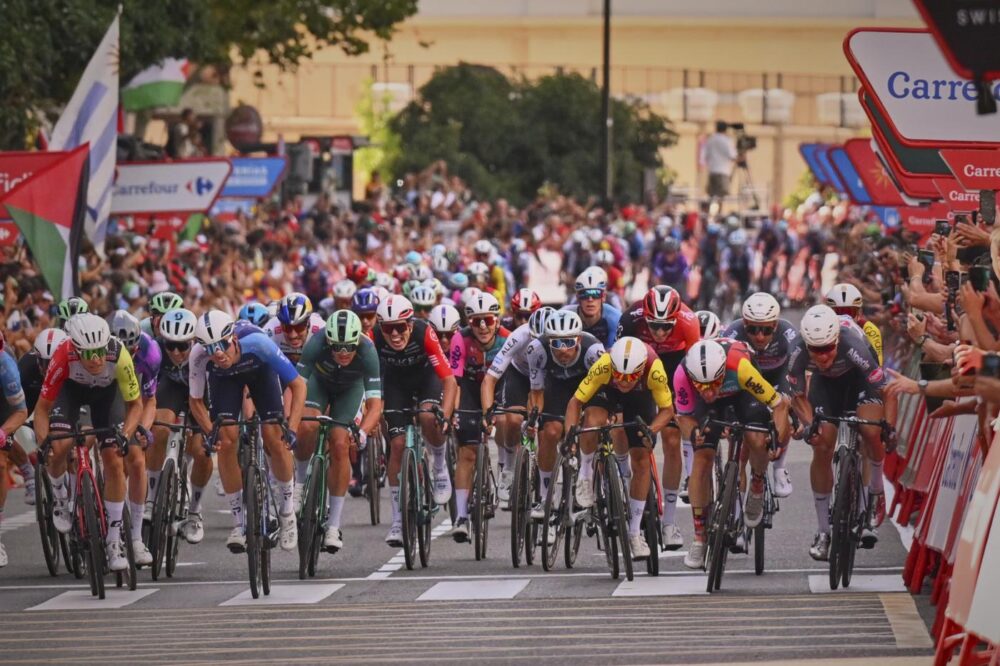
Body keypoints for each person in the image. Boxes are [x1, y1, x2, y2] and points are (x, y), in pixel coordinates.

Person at [188, 311, 306, 554]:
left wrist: (292, 428)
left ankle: (287, 514)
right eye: (210, 349)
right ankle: (239, 523)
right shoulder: (198, 355)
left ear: (233, 338)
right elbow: (195, 401)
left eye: (222, 345)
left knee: (274, 436)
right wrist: (210, 432)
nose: (218, 353)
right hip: (224, 381)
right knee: (225, 440)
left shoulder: (258, 342)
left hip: (260, 372)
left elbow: (298, 385)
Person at [34, 314, 144, 572]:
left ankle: (114, 542)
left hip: (107, 396)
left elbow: (135, 405)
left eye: (99, 351)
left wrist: (126, 434)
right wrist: (43, 442)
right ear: (75, 349)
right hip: (70, 393)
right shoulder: (63, 355)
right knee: (59, 447)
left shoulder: (119, 354)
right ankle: (60, 498)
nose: (96, 359)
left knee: (114, 460)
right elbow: (42, 409)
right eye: (88, 353)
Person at [787, 305, 895, 561]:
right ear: (806, 344)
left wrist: (890, 428)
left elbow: (887, 391)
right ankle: (823, 532)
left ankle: (875, 491)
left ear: (836, 340)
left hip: (859, 380)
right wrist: (810, 424)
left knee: (871, 431)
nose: (822, 356)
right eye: (816, 350)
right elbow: (798, 396)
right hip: (825, 385)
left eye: (827, 348)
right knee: (822, 444)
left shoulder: (854, 346)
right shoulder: (797, 350)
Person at [673, 339, 791, 569]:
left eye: (714, 383)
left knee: (757, 439)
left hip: (743, 393)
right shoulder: (682, 374)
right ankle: (699, 537)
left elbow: (779, 405)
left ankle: (757, 484)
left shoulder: (742, 368)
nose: (709, 391)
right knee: (702, 458)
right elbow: (683, 417)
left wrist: (777, 436)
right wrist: (694, 433)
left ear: (722, 373)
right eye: (701, 385)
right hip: (708, 408)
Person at [565, 337, 676, 559]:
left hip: (641, 396)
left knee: (641, 458)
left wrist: (651, 430)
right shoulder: (604, 365)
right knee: (592, 421)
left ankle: (634, 533)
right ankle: (586, 475)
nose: (624, 382)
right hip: (607, 391)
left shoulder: (654, 370)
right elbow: (575, 402)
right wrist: (571, 437)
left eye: (630, 377)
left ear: (640, 370)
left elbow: (667, 410)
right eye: (620, 375)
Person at [616, 285, 701, 550]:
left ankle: (669, 523)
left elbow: (695, 369)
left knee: (672, 439)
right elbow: (618, 360)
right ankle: (625, 477)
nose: (660, 333)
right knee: (625, 427)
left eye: (666, 326)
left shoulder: (689, 322)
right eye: (654, 325)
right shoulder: (630, 318)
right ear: (645, 317)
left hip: (676, 366)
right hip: (639, 367)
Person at [296, 310, 383, 552]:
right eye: (336, 347)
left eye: (349, 347)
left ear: (357, 341)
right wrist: (290, 423)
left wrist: (362, 432)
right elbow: (297, 386)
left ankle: (333, 525)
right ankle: (300, 483)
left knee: (340, 442)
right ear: (328, 341)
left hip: (350, 390)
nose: (343, 353)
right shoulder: (316, 342)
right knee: (307, 425)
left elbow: (375, 405)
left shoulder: (368, 350)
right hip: (319, 384)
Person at [374, 296, 457, 547]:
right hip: (395, 384)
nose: (395, 334)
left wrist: (445, 414)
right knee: (397, 446)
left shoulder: (424, 333)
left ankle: (439, 465)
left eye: (400, 327)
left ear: (410, 324)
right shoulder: (373, 337)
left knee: (428, 416)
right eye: (388, 328)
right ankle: (398, 522)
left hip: (426, 379)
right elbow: (365, 378)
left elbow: (449, 380)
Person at [524, 311, 604, 528]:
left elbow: (605, 390)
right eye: (556, 343)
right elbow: (537, 392)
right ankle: (545, 497)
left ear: (578, 339)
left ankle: (594, 480)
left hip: (588, 386)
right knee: (550, 432)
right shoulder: (536, 350)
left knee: (593, 425)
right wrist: (535, 419)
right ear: (548, 341)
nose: (562, 350)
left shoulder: (594, 352)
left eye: (568, 342)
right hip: (557, 388)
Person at [720, 293, 799, 498]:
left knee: (784, 404)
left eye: (766, 330)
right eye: (753, 329)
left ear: (775, 325)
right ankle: (737, 476)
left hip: (778, 375)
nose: (760, 336)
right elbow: (723, 375)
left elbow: (800, 370)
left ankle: (779, 467)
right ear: (744, 324)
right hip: (747, 379)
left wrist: (797, 410)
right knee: (743, 427)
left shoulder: (788, 333)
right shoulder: (733, 333)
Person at [449, 292, 511, 541]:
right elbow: (455, 382)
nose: (483, 326)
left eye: (488, 320)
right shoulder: (460, 339)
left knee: (506, 422)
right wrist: (453, 412)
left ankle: (506, 466)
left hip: (501, 387)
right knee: (467, 452)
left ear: (497, 321)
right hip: (470, 390)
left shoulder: (507, 339)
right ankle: (461, 516)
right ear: (469, 323)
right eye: (476, 321)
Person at [149, 309, 210, 544]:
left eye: (182, 346)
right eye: (170, 345)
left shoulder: (205, 351)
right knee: (159, 428)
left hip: (201, 393)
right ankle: (151, 499)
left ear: (193, 341)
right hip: (172, 388)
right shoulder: (155, 350)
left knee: (202, 450)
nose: (175, 352)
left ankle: (194, 512)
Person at [109, 310, 161, 567]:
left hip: (131, 396)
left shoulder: (150, 352)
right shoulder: (97, 350)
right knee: (105, 454)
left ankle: (137, 537)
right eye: (122, 350)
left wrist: (143, 428)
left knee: (137, 461)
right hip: (103, 393)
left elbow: (149, 400)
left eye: (132, 350)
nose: (127, 356)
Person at [0, 333, 28, 567]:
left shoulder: (6, 365)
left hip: (4, 404)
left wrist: (2, 433)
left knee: (0, 462)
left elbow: (20, 412)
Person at [562, 267, 621, 348]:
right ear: (577, 298)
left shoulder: (615, 317)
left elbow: (614, 350)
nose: (590, 300)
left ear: (603, 297)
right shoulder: (564, 315)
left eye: (595, 294)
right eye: (584, 294)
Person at [825, 283, 883, 365]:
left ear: (859, 313)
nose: (843, 319)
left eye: (849, 313)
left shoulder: (870, 330)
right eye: (838, 313)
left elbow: (877, 366)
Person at [702, 120, 737, 204]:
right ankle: (719, 211)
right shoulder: (727, 141)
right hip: (723, 171)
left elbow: (705, 155)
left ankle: (710, 210)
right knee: (721, 196)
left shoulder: (710, 139)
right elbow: (733, 156)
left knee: (711, 195)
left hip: (712, 171)